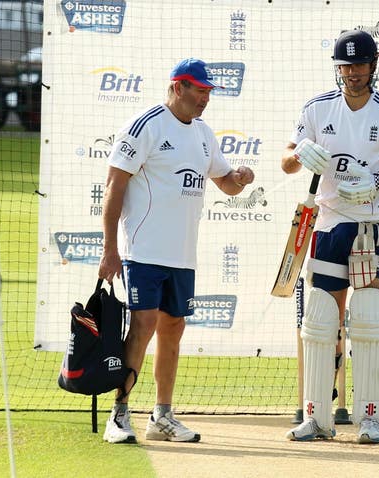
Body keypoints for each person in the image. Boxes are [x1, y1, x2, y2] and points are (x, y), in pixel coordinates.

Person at [98, 57, 255, 444]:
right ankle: (119, 415)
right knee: (143, 325)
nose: (204, 98)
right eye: (198, 90)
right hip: (144, 251)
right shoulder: (146, 125)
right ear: (177, 87)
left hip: (183, 256)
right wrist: (109, 249)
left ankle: (161, 416)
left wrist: (240, 178)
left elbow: (227, 186)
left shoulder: (204, 134)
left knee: (174, 330)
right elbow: (114, 185)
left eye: (207, 92)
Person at [281, 30, 379, 443]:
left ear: (373, 65)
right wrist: (297, 156)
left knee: (369, 315)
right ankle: (317, 417)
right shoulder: (316, 109)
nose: (353, 73)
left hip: (370, 226)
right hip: (326, 224)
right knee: (322, 317)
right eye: (346, 66)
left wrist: (378, 182)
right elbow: (286, 161)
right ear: (337, 68)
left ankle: (371, 417)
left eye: (360, 65)